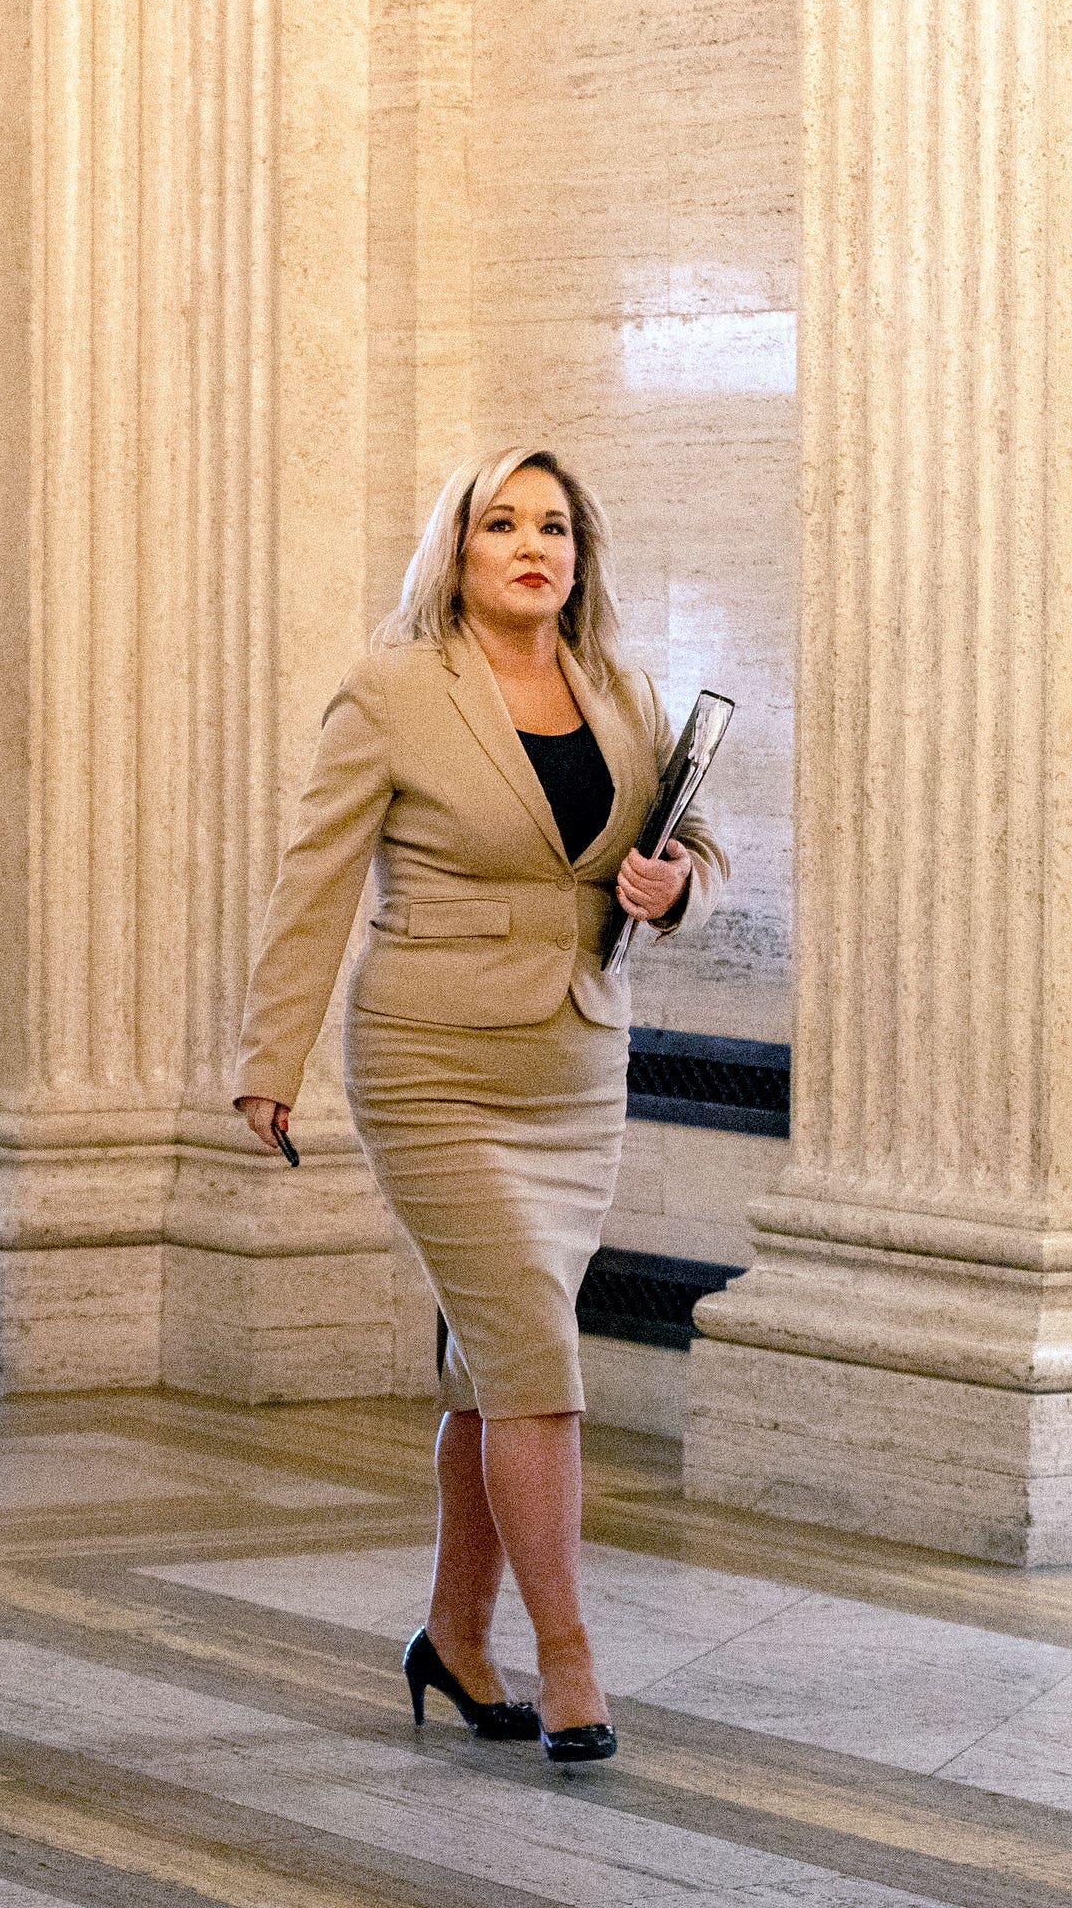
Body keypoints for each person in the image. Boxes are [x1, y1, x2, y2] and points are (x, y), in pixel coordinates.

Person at [232, 443, 722, 1767]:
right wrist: (268, 1061)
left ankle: (454, 1639)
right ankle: (570, 1667)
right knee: (539, 1369)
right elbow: (314, 882)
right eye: (502, 522)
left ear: (580, 553)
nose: (532, 546)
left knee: (494, 1368)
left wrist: (675, 892)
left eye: (554, 526)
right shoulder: (392, 690)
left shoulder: (618, 687)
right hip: (430, 1062)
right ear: (457, 548)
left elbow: (688, 856)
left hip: (572, 1070)